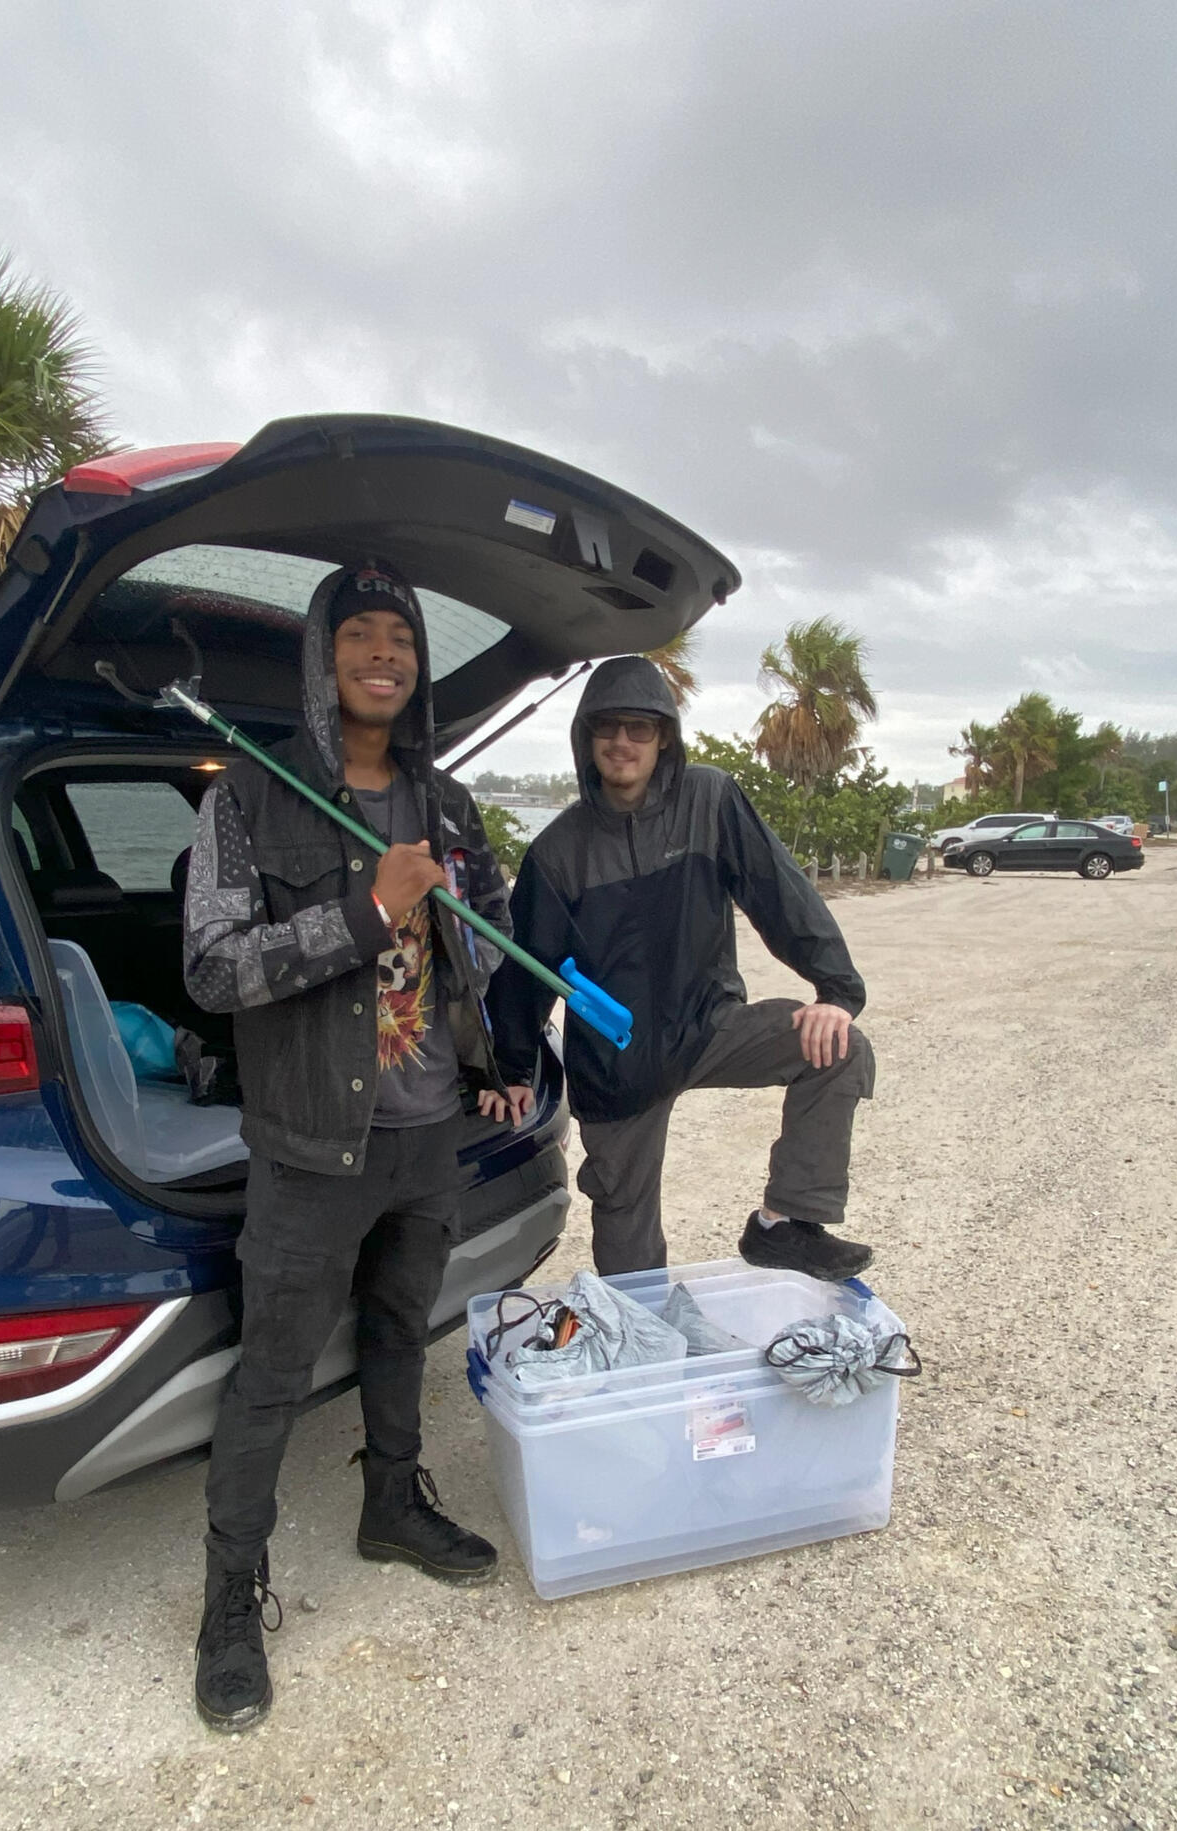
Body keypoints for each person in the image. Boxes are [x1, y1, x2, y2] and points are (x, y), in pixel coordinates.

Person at [183, 559, 522, 1732]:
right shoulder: (250, 799)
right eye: (362, 634)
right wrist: (364, 914)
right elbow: (213, 966)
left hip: (428, 1132)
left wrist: (496, 1064)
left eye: (403, 637)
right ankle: (232, 1594)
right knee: (272, 1375)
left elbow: (485, 943)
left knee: (397, 1333)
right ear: (325, 659)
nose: (387, 653)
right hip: (311, 1141)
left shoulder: (453, 805)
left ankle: (392, 1506)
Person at [487, 653, 876, 1283]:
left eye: (639, 727)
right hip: (617, 1059)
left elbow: (778, 893)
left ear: (664, 737)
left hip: (707, 1024)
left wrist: (834, 988)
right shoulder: (557, 851)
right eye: (608, 726)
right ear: (587, 737)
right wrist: (510, 1067)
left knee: (838, 1047)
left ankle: (786, 1225)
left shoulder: (710, 799)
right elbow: (524, 970)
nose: (622, 741)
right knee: (626, 1233)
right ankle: (642, 1343)